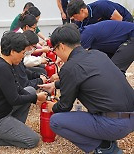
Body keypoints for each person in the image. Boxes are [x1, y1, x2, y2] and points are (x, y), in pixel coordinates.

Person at [38, 23, 134, 154]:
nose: (56, 54)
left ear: (61, 46)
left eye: (55, 50)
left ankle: (105, 148)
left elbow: (64, 106)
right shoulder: (97, 54)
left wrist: (52, 107)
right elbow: (83, 78)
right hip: (130, 118)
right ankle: (106, 139)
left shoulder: (69, 67)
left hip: (115, 125)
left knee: (56, 121)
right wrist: (55, 85)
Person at [0, 31, 47, 148]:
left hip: (1, 109)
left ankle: (11, 130)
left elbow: (18, 88)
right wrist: (35, 98)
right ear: (12, 51)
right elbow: (14, 99)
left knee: (29, 90)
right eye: (22, 53)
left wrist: (35, 99)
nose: (23, 56)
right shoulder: (2, 69)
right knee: (32, 140)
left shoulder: (5, 62)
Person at [67, 0, 133, 28]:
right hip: (107, 28)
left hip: (125, 22)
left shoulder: (101, 6)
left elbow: (119, 20)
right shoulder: (80, 22)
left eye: (75, 17)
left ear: (82, 11)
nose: (75, 19)